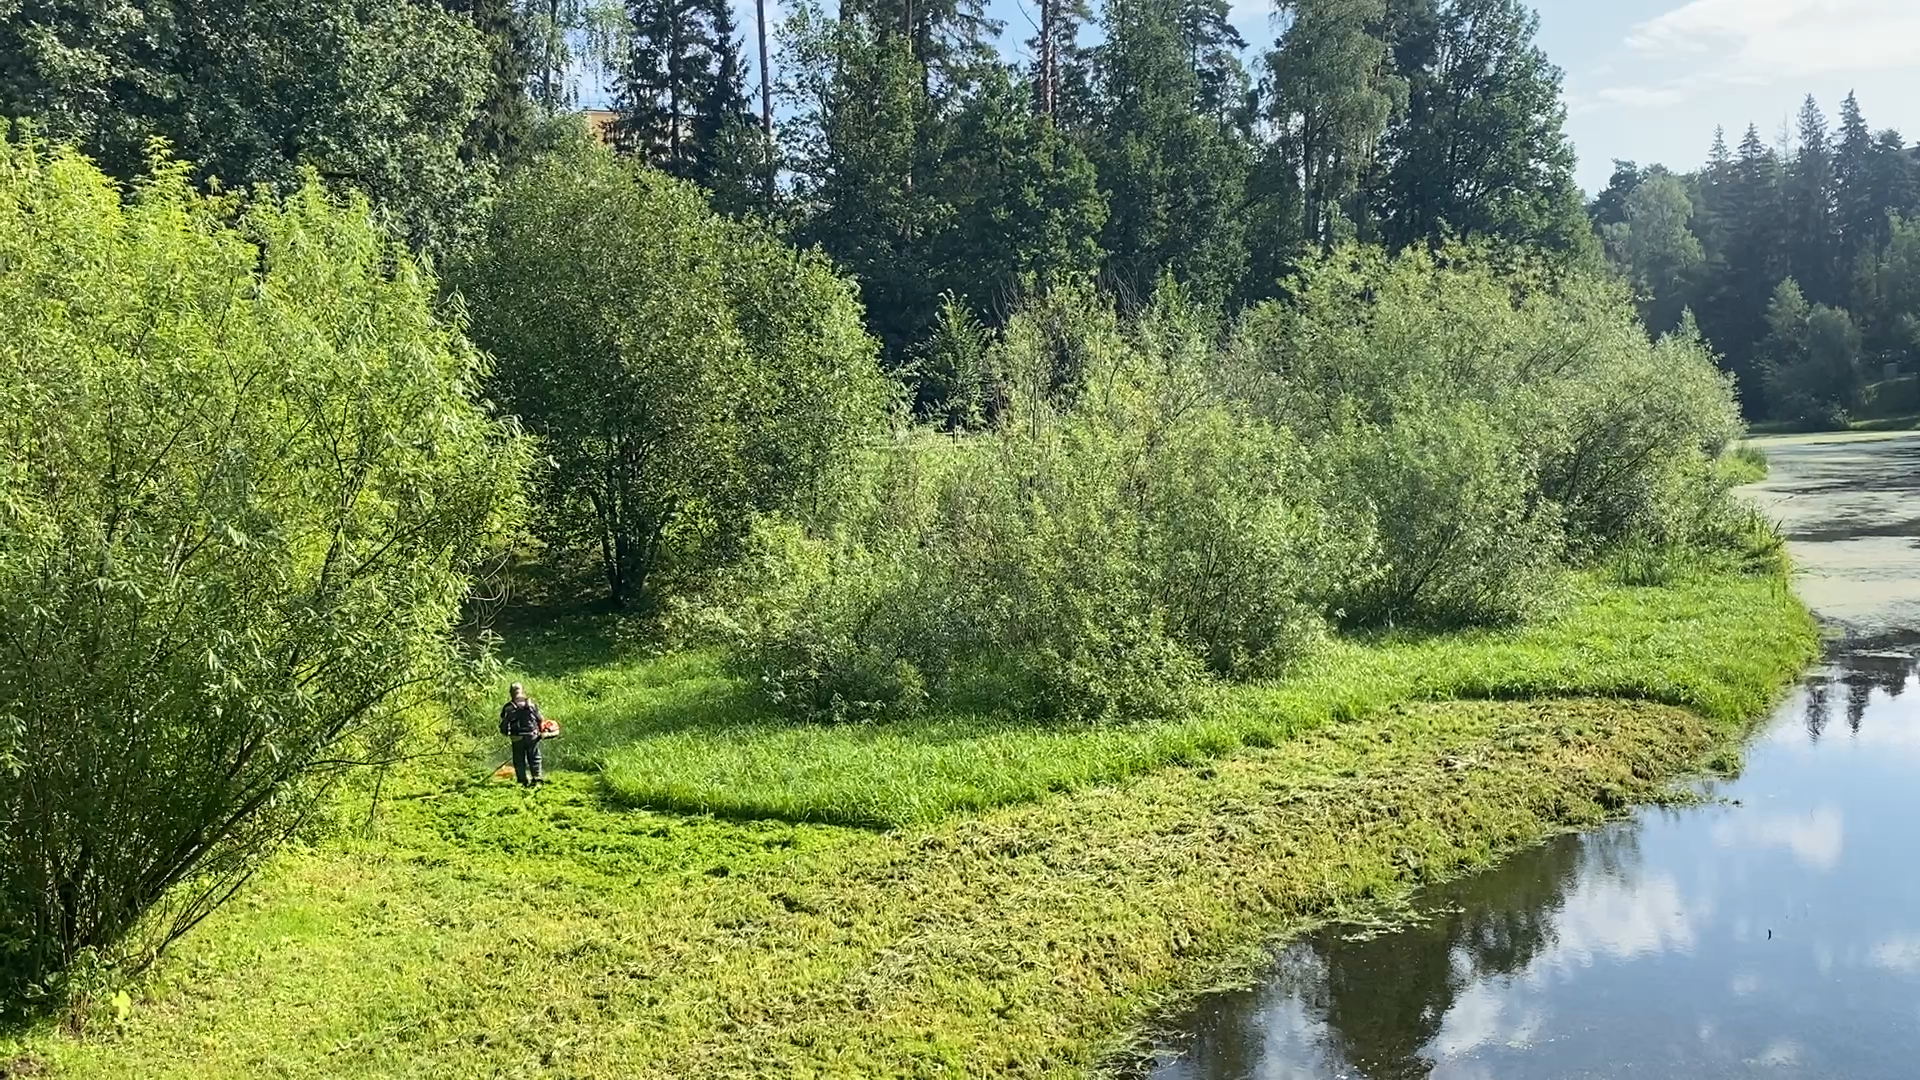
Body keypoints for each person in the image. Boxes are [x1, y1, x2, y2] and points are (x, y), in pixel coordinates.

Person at [498, 682, 546, 788]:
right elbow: (540, 719)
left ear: (511, 692)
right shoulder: (531, 704)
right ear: (522, 691)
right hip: (532, 735)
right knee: (534, 758)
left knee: (519, 760)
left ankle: (523, 780)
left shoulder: (508, 707)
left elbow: (504, 723)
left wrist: (505, 732)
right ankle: (537, 778)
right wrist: (542, 732)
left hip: (517, 737)